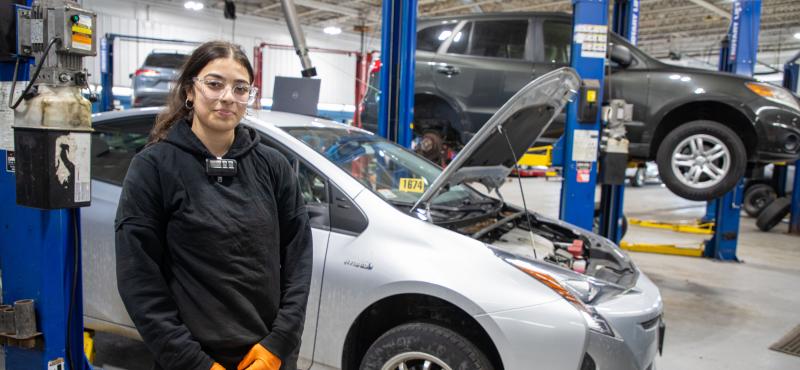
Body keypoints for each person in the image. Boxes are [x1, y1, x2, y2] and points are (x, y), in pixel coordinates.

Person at [114, 40, 312, 370]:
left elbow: (298, 263)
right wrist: (193, 362)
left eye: (240, 88)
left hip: (266, 359)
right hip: (190, 359)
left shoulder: (274, 166)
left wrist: (278, 345)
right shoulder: (154, 167)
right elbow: (139, 281)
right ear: (190, 90)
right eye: (214, 83)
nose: (227, 97)